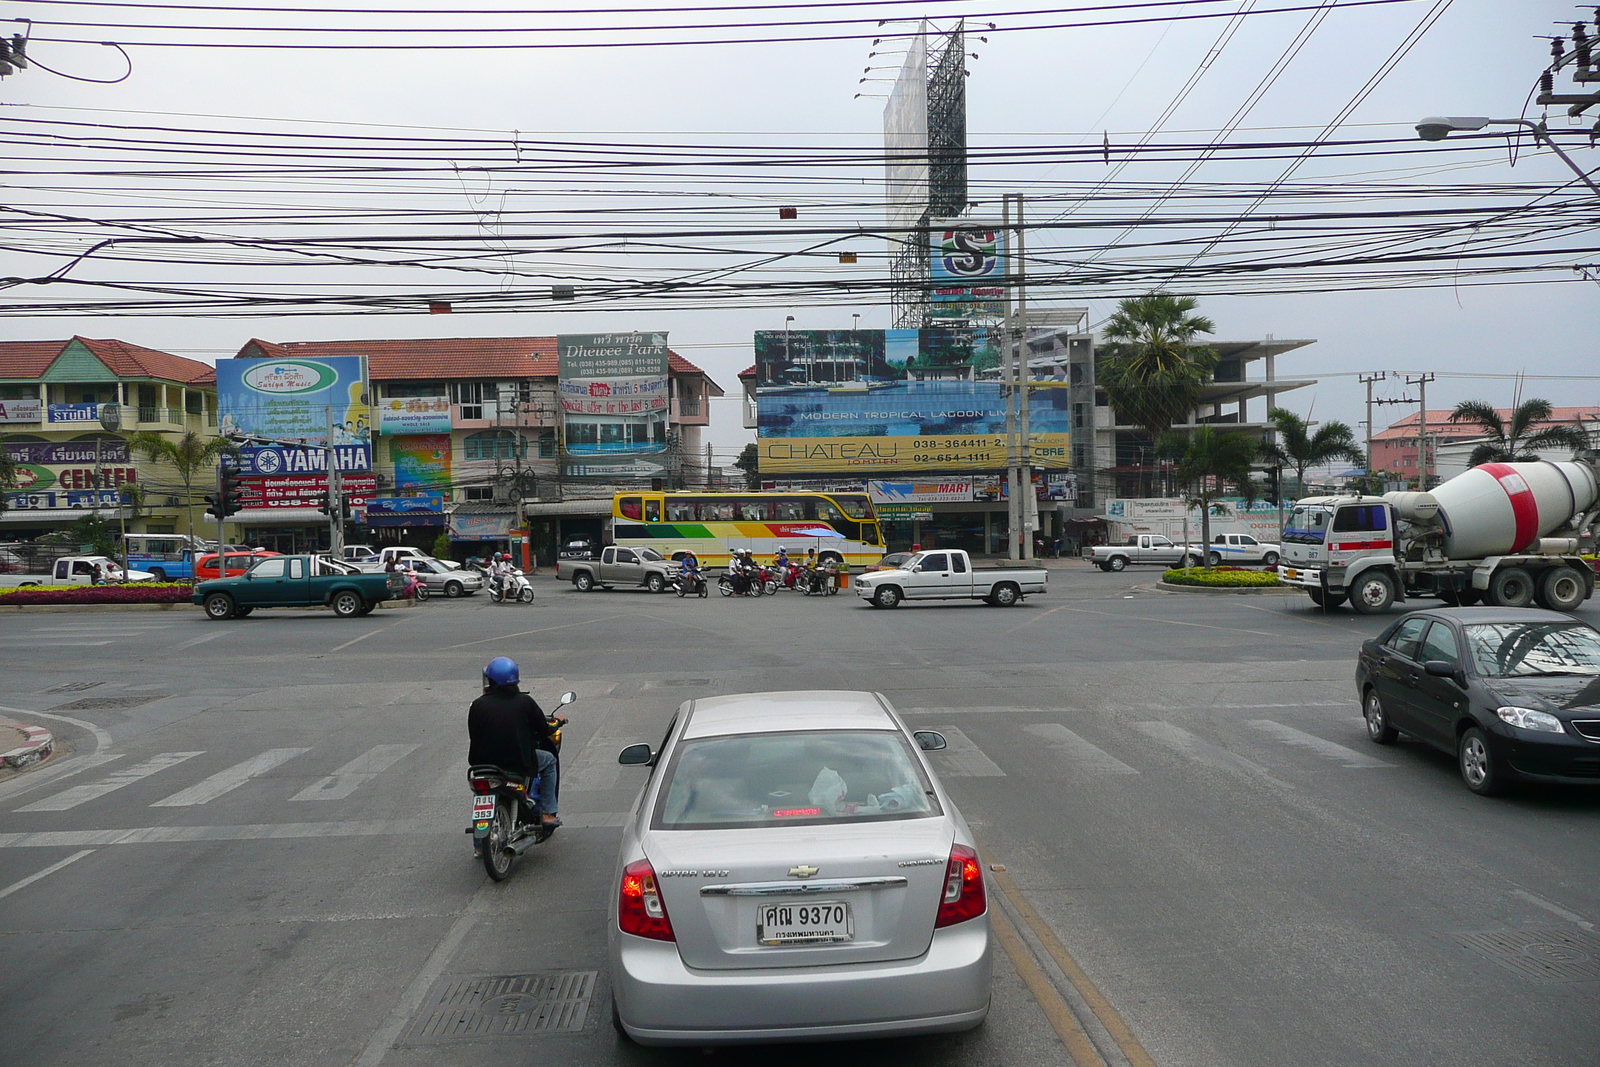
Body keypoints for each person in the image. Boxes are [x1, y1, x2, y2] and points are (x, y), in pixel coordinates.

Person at [468, 656, 563, 831]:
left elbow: (474, 734)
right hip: (517, 763)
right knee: (549, 760)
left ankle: (480, 846)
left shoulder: (477, 705)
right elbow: (544, 729)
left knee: (481, 798)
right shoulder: (525, 702)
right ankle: (548, 813)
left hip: (482, 765)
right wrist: (557, 722)